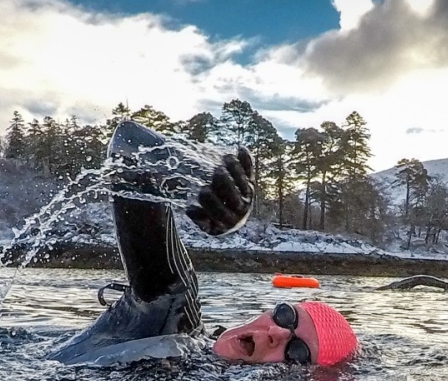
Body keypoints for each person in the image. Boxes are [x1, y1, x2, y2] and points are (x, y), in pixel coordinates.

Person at [47, 119, 358, 368]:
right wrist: (197, 179)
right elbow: (129, 143)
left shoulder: (196, 369)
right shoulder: (169, 315)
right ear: (269, 310)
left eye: (298, 352)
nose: (277, 333)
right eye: (286, 316)